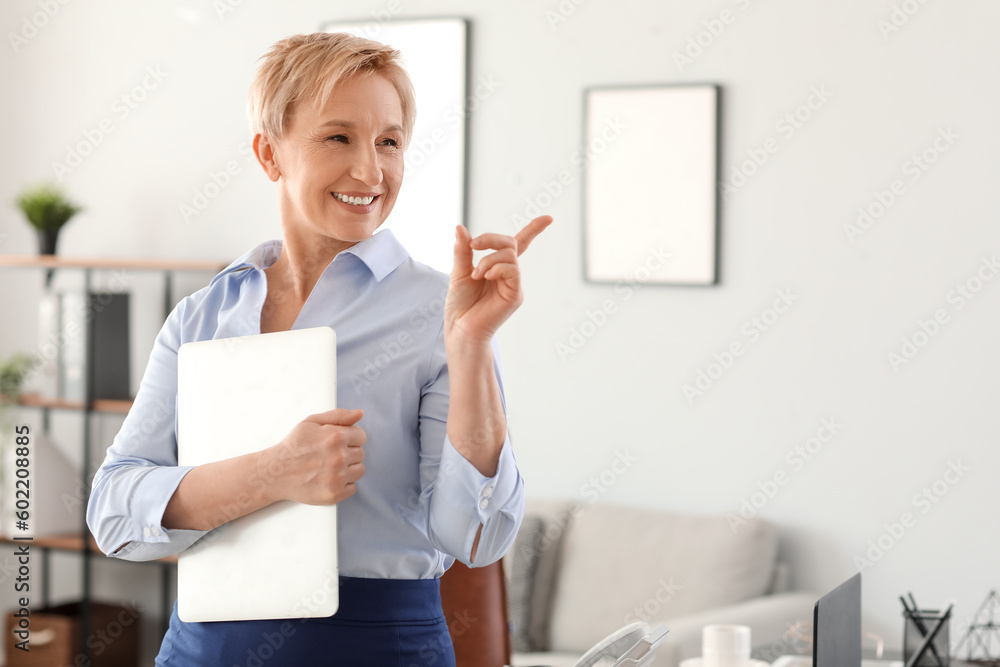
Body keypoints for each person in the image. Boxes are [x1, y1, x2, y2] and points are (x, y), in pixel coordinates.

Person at [86, 32, 551, 665]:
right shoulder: (201, 316)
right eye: (338, 138)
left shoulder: (442, 313)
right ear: (269, 153)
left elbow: (477, 536)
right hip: (202, 650)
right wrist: (273, 473)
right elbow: (114, 515)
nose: (371, 171)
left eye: (389, 142)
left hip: (377, 649)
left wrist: (471, 347)